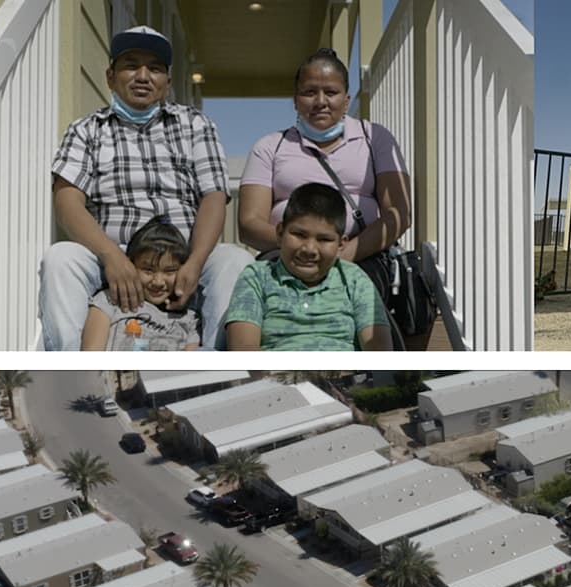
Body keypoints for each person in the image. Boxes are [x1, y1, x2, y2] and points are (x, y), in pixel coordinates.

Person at [40, 25, 251, 350]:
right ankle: (71, 373)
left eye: (154, 68)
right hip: (112, 252)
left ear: (167, 82)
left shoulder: (195, 125)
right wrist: (112, 257)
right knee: (61, 258)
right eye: (131, 65)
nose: (142, 76)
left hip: (181, 255)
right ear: (110, 77)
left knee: (234, 262)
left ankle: (211, 369)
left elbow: (214, 196)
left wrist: (194, 262)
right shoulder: (86, 130)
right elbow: (67, 203)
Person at [236, 48, 422, 344]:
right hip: (283, 254)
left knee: (362, 288)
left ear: (346, 99)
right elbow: (248, 222)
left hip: (363, 254)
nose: (320, 101)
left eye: (331, 92)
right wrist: (302, 249)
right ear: (296, 100)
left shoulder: (376, 138)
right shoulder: (270, 146)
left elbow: (399, 212)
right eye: (309, 92)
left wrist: (343, 253)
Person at [224, 183, 392, 351]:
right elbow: (243, 352)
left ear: (341, 245)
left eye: (324, 239)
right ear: (280, 233)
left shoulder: (355, 279)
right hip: (274, 376)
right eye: (299, 235)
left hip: (344, 376)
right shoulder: (256, 278)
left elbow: (379, 353)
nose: (309, 249)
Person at [81, 217, 200, 351]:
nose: (158, 282)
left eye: (170, 271)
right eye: (148, 270)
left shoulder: (189, 319)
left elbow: (190, 367)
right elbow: (91, 357)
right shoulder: (110, 301)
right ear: (130, 266)